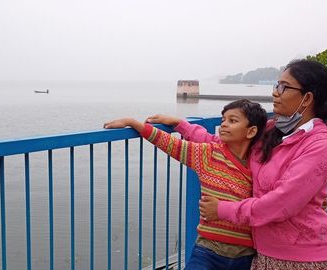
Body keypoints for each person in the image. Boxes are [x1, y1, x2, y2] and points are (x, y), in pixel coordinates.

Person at [174, 59, 327, 270]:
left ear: (307, 98)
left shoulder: (320, 146)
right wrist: (182, 126)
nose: (275, 93)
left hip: (304, 258)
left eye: (283, 87)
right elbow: (229, 147)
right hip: (263, 254)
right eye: (276, 85)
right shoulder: (271, 131)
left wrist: (223, 210)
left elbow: (281, 203)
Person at [104, 99, 267, 270]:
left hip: (246, 256)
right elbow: (170, 144)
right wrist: (134, 123)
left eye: (232, 121)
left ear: (251, 131)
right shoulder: (208, 155)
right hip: (208, 251)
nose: (224, 125)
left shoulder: (261, 165)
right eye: (222, 120)